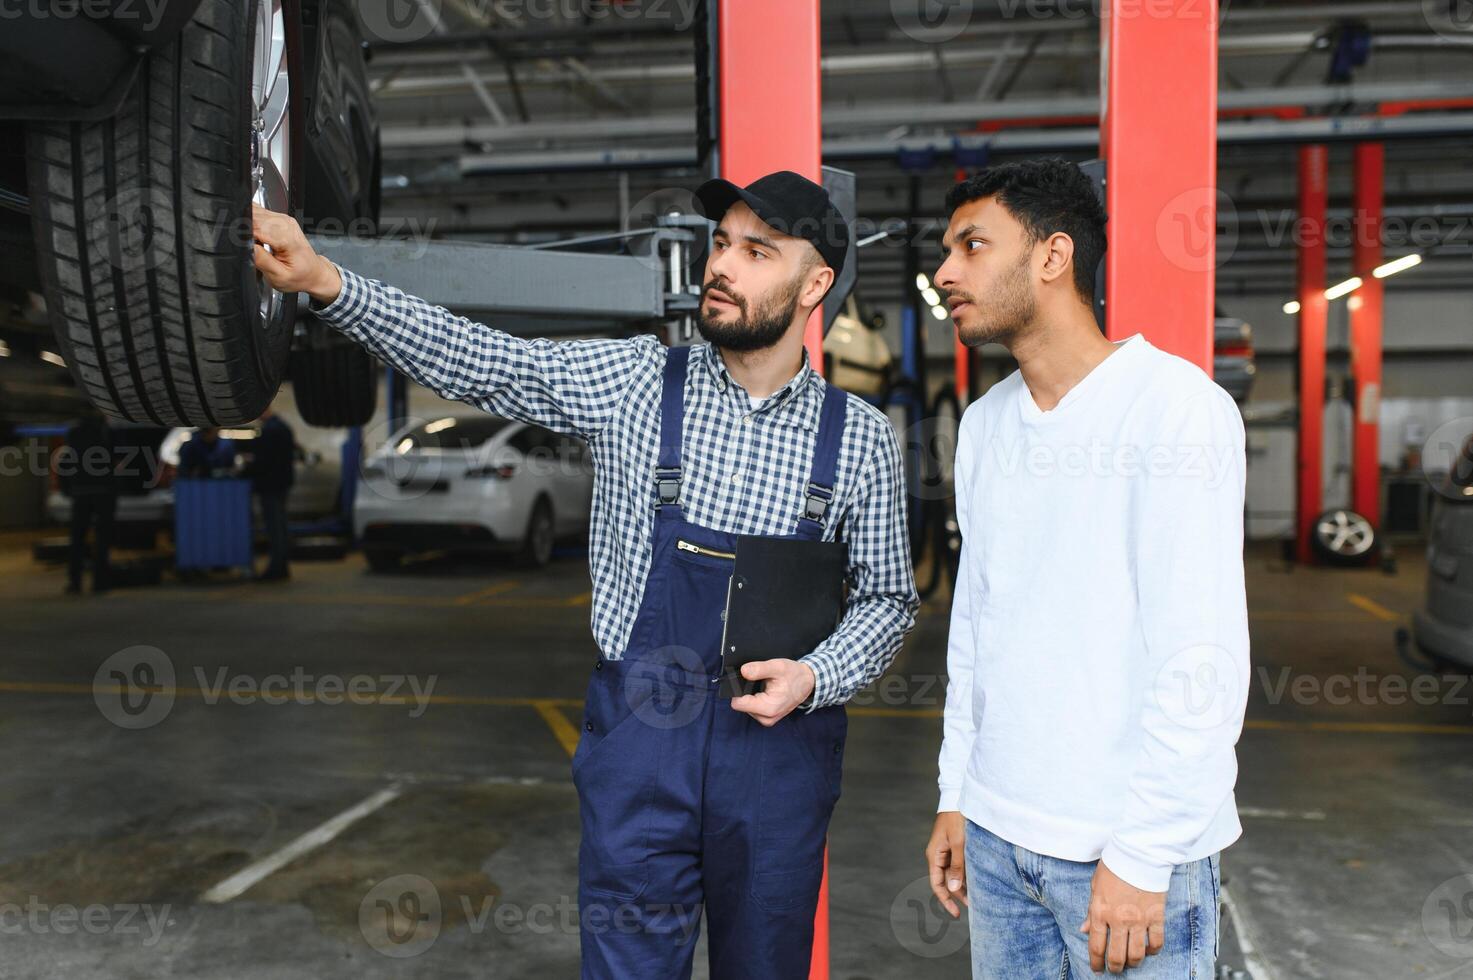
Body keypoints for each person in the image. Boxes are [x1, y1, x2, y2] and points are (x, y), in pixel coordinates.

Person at [251, 171, 919, 980]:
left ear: (815, 284)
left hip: (777, 756)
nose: (722, 266)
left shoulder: (858, 439)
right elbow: (483, 360)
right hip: (643, 742)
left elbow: (887, 598)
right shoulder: (637, 382)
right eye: (719, 243)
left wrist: (816, 675)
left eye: (756, 251)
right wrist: (326, 281)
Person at [924, 159, 1249, 978]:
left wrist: (1142, 858)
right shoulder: (986, 424)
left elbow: (1201, 655)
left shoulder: (1174, 410)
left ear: (1052, 256)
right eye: (945, 249)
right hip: (996, 846)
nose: (944, 272)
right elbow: (976, 625)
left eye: (970, 245)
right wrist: (956, 794)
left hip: (1125, 855)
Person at [61, 407, 118, 594]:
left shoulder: (74, 433)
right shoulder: (106, 432)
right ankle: (100, 583)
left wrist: (67, 489)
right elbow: (115, 461)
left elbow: (66, 462)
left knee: (77, 538)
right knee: (102, 539)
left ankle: (74, 582)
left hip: (80, 492)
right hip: (103, 492)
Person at [247, 403, 295, 581]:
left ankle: (276, 568)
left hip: (270, 486)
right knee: (280, 526)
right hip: (281, 485)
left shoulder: (270, 431)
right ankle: (282, 566)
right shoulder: (283, 427)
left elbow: (262, 461)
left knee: (275, 528)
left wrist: (248, 468)